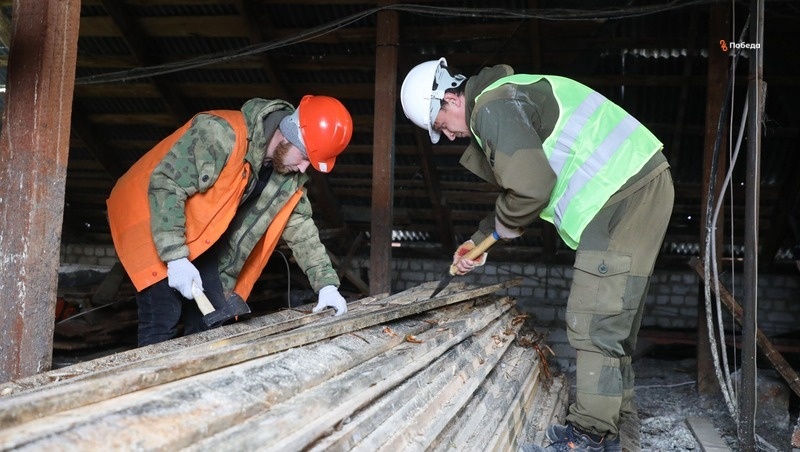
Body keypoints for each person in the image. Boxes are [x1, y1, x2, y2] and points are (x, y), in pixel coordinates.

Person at [400, 58, 674, 452]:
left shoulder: (491, 107)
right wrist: (482, 238)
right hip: (638, 185)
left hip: (621, 193)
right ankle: (615, 426)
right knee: (613, 324)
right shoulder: (508, 96)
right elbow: (525, 186)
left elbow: (532, 187)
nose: (451, 136)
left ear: (449, 98)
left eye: (442, 126)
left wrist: (497, 230)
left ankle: (587, 437)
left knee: (594, 321)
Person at [107, 95, 353, 347]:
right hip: (154, 216)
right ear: (287, 136)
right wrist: (175, 256)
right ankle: (149, 383)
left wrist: (326, 285)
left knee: (211, 321)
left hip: (201, 237)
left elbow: (302, 231)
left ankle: (194, 382)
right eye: (304, 158)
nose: (303, 168)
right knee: (163, 318)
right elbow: (166, 184)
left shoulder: (288, 179)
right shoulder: (220, 134)